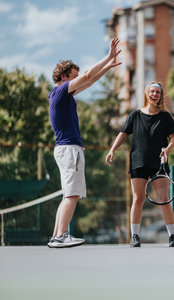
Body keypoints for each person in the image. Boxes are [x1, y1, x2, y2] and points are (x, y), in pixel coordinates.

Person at [47, 37, 122, 248]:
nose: (77, 80)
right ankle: (61, 236)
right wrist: (108, 56)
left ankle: (56, 236)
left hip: (65, 149)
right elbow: (88, 76)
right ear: (63, 77)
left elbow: (89, 81)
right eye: (73, 77)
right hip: (70, 149)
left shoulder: (60, 95)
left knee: (67, 195)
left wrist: (108, 66)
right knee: (72, 194)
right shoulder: (62, 92)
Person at [105, 81, 174, 247]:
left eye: (158, 93)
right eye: (152, 91)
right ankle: (135, 236)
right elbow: (123, 134)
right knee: (138, 199)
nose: (155, 94)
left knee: (164, 199)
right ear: (147, 93)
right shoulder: (135, 115)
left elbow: (173, 139)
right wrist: (112, 150)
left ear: (160, 96)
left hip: (159, 164)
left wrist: (167, 150)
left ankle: (173, 236)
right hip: (138, 162)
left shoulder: (166, 117)